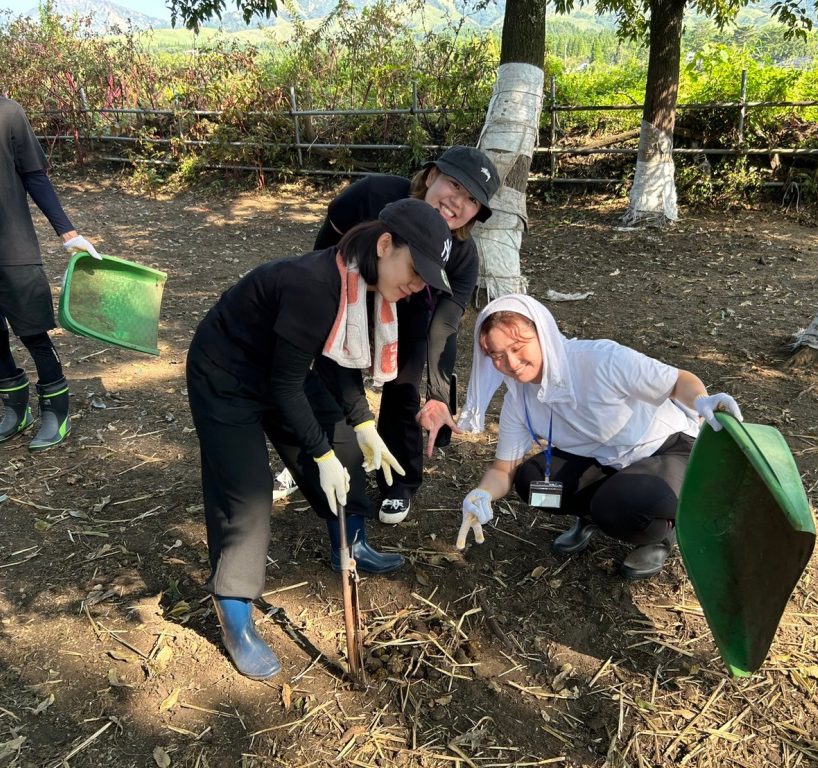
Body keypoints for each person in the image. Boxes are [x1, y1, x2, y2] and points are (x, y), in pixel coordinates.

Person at [186, 198, 453, 679]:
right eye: (415, 271)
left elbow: (336, 361)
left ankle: (348, 546)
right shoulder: (314, 284)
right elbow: (286, 386)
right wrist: (318, 453)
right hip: (226, 372)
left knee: (346, 451)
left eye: (425, 281)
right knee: (244, 495)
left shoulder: (363, 285)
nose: (415, 287)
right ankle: (235, 612)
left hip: (282, 368)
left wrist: (362, 425)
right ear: (386, 244)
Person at [455, 295, 743, 580]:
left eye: (518, 347)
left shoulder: (599, 360)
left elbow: (677, 381)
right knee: (531, 484)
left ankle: (660, 534)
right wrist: (483, 493)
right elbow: (503, 469)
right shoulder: (519, 399)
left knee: (617, 505)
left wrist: (703, 400)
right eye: (498, 355)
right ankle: (593, 515)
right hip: (604, 459)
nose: (512, 363)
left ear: (543, 333)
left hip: (666, 448)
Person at [313, 146, 501, 524]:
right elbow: (323, 252)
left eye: (471, 200)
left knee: (405, 383)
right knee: (331, 370)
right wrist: (322, 306)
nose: (456, 203)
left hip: (413, 309)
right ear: (431, 176)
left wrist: (437, 397)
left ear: (478, 213)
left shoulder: (462, 257)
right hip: (352, 287)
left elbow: (443, 329)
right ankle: (321, 454)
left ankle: (398, 479)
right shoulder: (372, 195)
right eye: (453, 184)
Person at [0, 21, 100, 452]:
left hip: (13, 251)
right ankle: (15, 409)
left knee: (33, 333)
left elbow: (35, 177)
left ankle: (56, 410)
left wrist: (68, 232)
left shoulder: (4, 112)